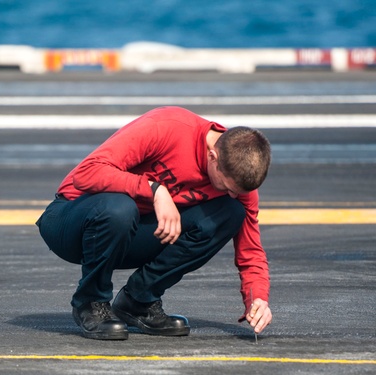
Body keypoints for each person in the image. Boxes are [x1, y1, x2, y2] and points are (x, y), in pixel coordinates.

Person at [36, 106, 273, 340]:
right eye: (226, 187)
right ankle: (90, 302)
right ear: (213, 156)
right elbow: (85, 174)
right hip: (71, 221)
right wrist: (155, 191)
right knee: (120, 208)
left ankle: (138, 301)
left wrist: (258, 299)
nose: (231, 194)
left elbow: (250, 250)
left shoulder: (237, 183)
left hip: (128, 233)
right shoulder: (168, 127)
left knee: (231, 212)